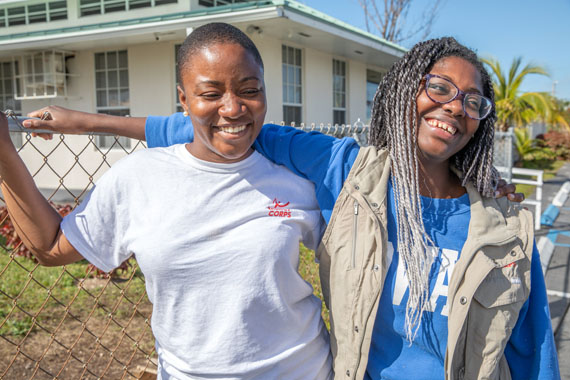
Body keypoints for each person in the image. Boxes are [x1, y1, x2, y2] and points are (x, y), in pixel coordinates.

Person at [21, 39, 557, 380]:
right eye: (438, 87)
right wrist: (87, 121)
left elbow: (534, 352)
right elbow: (222, 124)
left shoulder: (503, 225)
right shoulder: (346, 171)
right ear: (403, 91)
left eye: (472, 101)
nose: (454, 108)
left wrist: (495, 192)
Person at [0, 23, 333, 380]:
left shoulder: (297, 175)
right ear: (184, 100)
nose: (233, 108)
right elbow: (51, 247)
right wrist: (4, 151)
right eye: (210, 93)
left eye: (249, 90)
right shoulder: (140, 177)